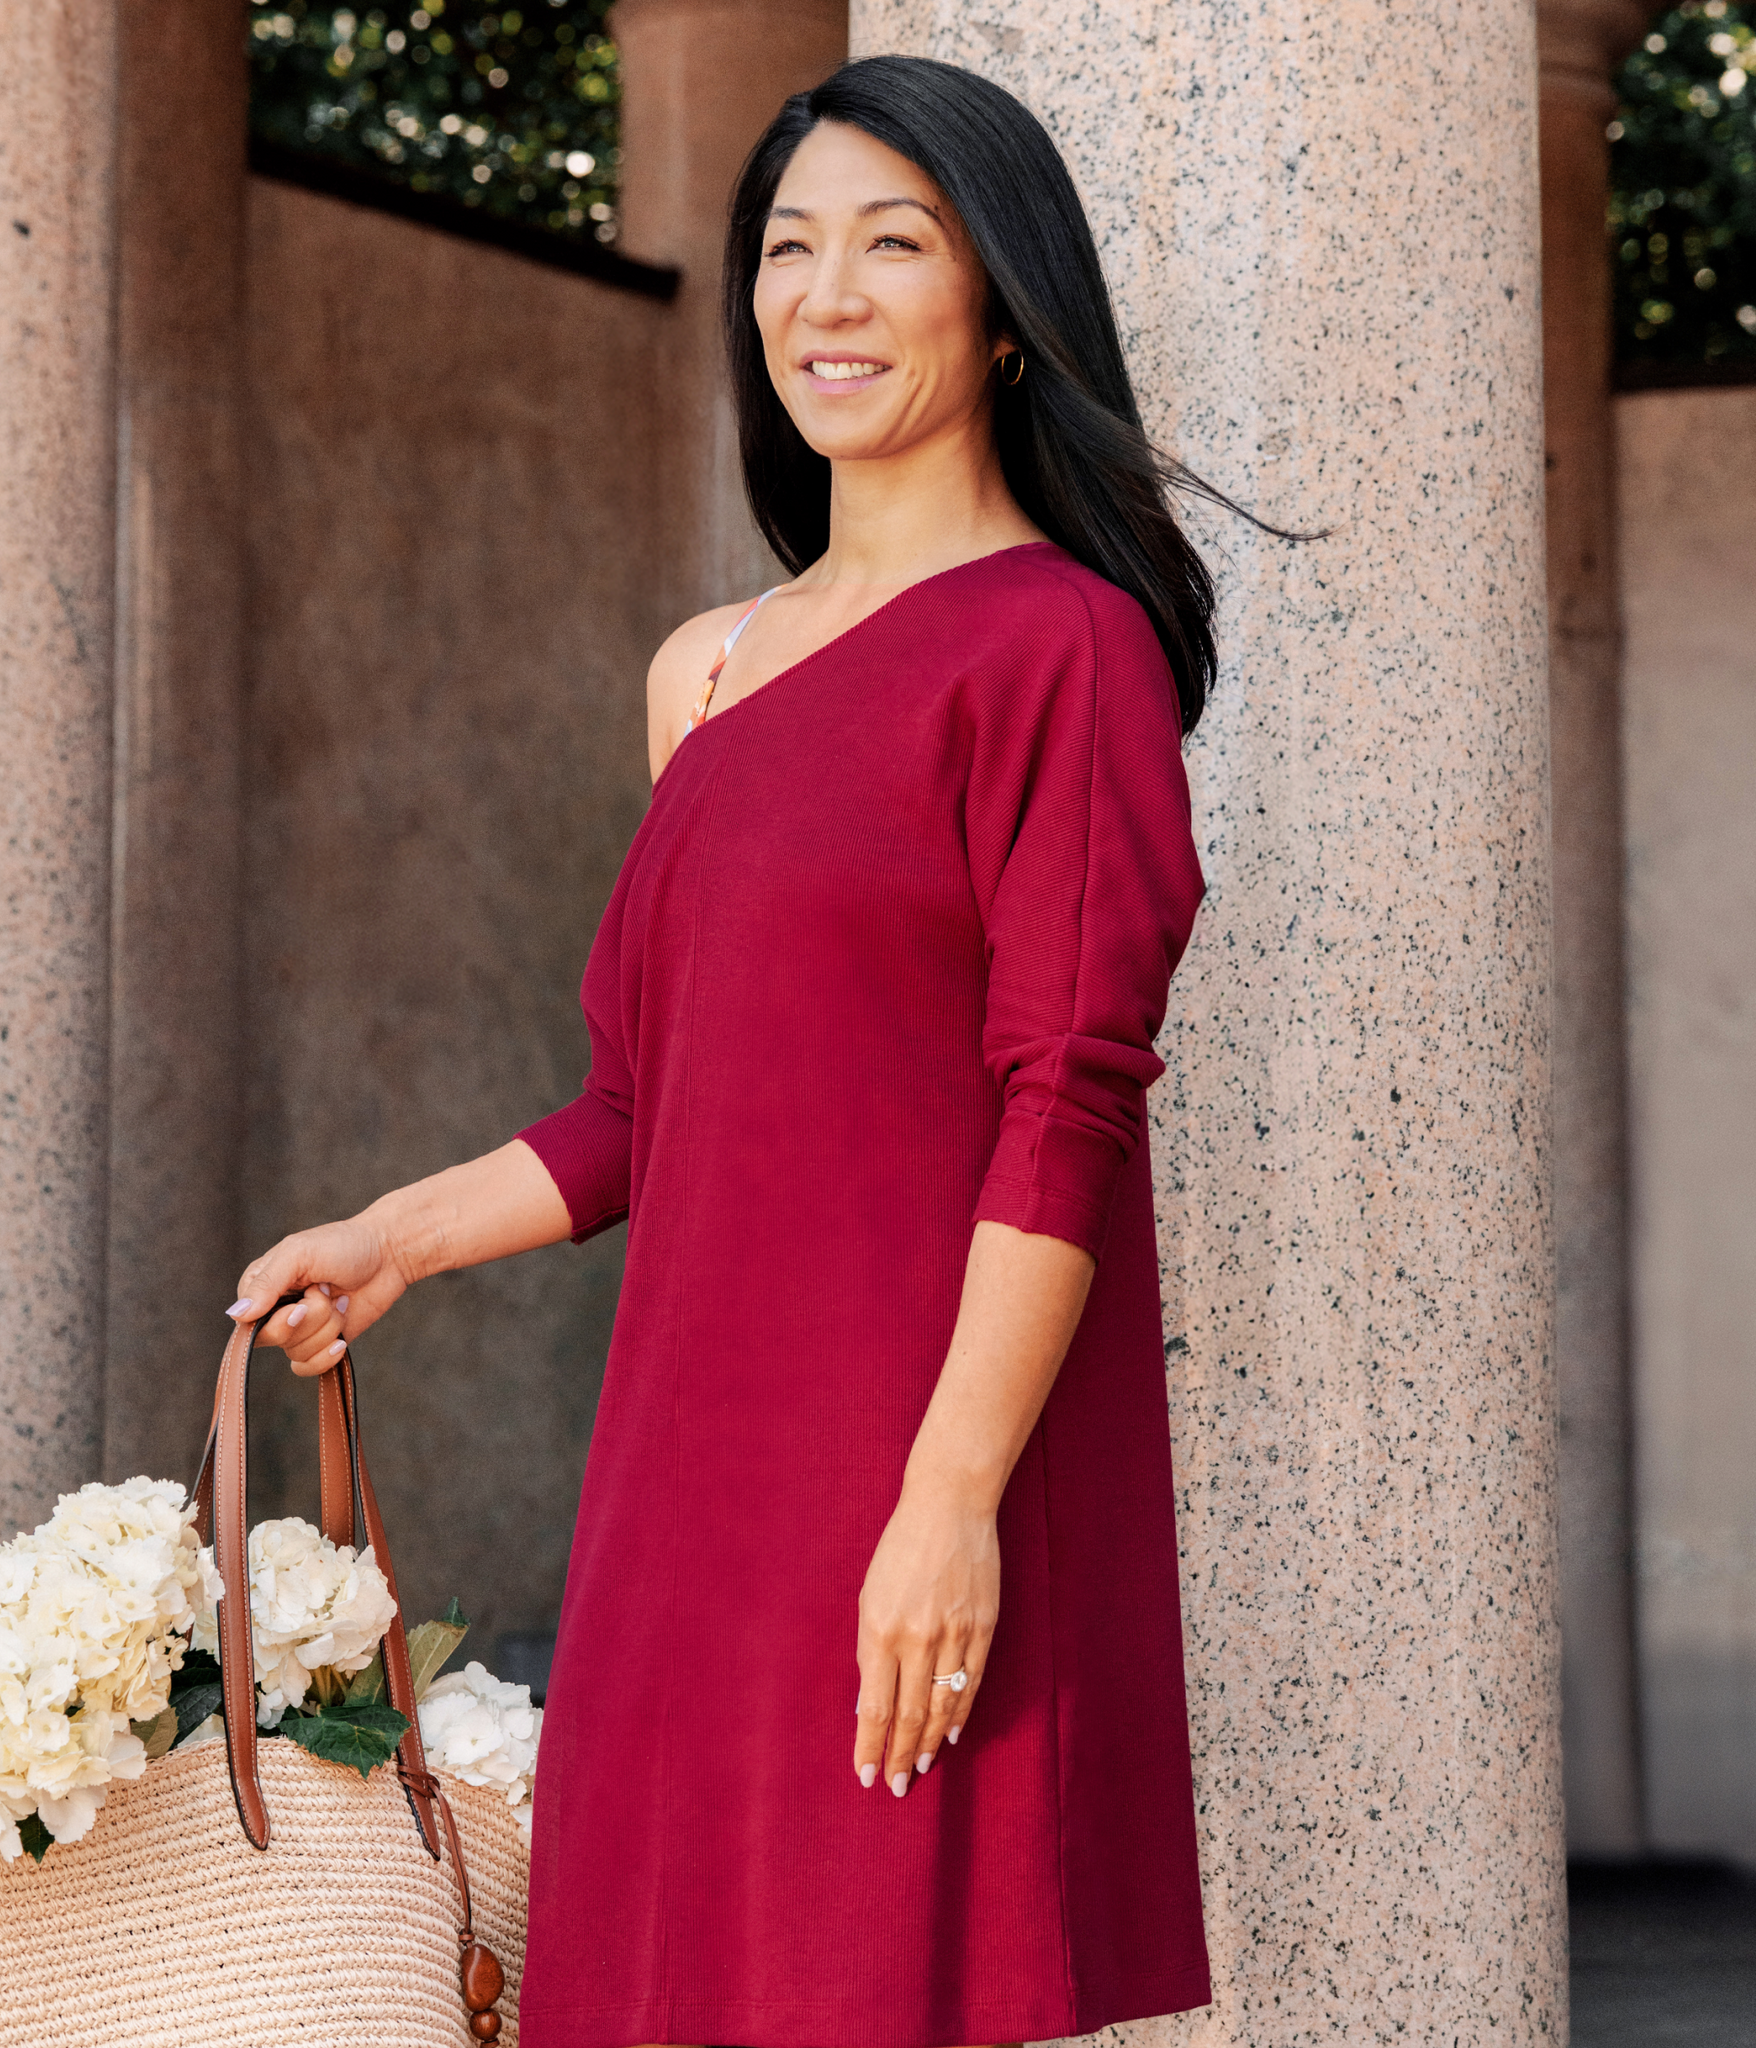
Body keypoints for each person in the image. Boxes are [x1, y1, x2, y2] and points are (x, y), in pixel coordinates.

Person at [227, 53, 1240, 2048]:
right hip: (683, 1484)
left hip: (912, 1466)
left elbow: (1066, 1105)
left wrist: (949, 1503)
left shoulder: (1061, 650)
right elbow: (639, 1109)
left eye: (893, 244)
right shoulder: (707, 674)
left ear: (1003, 306)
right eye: (787, 249)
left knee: (868, 1997)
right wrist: (400, 1236)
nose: (825, 297)